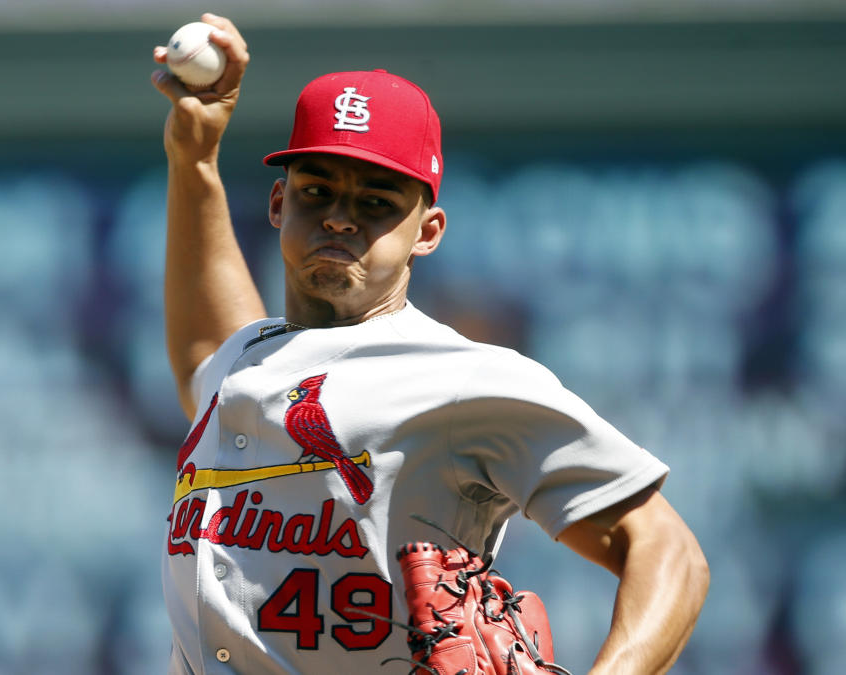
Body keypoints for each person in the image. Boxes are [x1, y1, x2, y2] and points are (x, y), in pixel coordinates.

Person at [150, 13, 709, 675]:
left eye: (377, 200)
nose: (338, 215)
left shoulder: (461, 378)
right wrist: (194, 161)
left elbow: (667, 549)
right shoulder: (246, 360)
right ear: (278, 203)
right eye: (317, 190)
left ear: (429, 230)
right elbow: (206, 351)